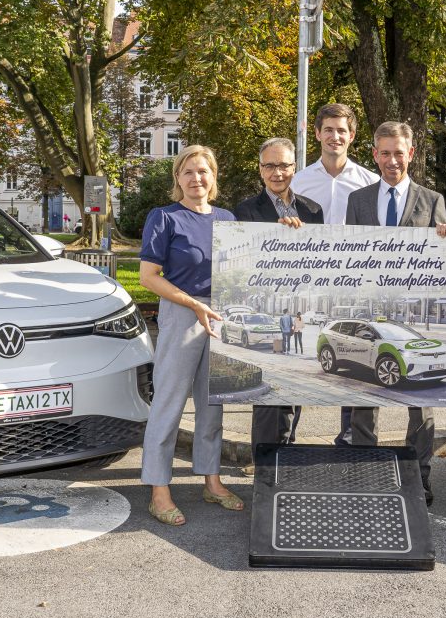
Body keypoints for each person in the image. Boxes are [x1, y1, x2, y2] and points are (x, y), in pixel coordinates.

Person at [344, 121, 446, 506]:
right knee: (364, 393)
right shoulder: (358, 201)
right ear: (375, 155)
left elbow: (444, 263)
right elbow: (351, 256)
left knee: (421, 402)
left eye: (399, 152)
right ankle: (364, 472)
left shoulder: (433, 199)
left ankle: (419, 478)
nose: (392, 160)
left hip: (413, 315)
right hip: (370, 311)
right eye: (385, 153)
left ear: (411, 154)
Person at [139, 145, 242, 527]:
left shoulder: (228, 219)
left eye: (203, 171)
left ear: (213, 177)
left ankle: (211, 481)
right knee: (168, 403)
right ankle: (158, 489)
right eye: (188, 172)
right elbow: (149, 278)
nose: (196, 178)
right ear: (177, 179)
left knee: (213, 404)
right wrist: (193, 305)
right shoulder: (164, 218)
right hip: (183, 313)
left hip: (221, 316)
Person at [292, 104, 380, 445]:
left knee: (353, 352)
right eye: (328, 129)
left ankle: (350, 434)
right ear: (316, 133)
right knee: (299, 357)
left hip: (353, 285)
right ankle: (288, 437)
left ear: (352, 135)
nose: (335, 136)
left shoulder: (369, 182)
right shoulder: (298, 181)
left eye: (342, 130)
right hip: (306, 282)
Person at [233, 137, 323, 449]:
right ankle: (263, 465)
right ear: (260, 170)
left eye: (283, 165)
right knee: (266, 395)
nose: (277, 172)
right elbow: (244, 259)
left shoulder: (313, 211)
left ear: (294, 167)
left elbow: (318, 260)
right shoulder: (245, 210)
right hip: (264, 309)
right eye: (270, 165)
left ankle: (286, 455)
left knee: (293, 394)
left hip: (293, 303)